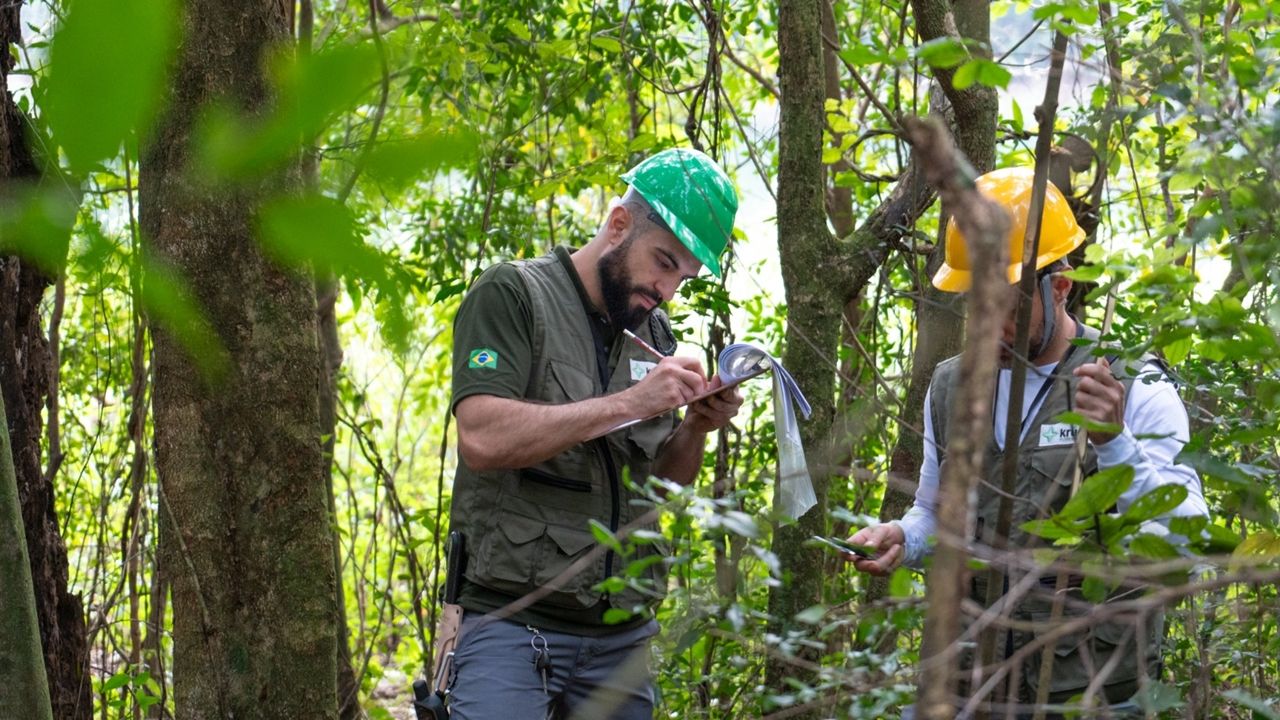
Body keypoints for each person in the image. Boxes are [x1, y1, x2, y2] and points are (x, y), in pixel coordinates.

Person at [845, 167, 1209, 713]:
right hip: (973, 685)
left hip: (1092, 694)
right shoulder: (951, 386)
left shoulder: (1133, 382)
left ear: (1059, 287)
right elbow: (934, 512)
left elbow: (1189, 538)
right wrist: (904, 537)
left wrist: (1114, 443)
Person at [444, 147, 744, 720]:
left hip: (620, 637)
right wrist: (629, 402)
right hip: (511, 620)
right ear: (618, 224)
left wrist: (697, 427)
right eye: (663, 262)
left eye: (683, 277)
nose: (666, 289)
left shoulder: (650, 329)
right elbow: (481, 437)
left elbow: (657, 486)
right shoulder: (513, 295)